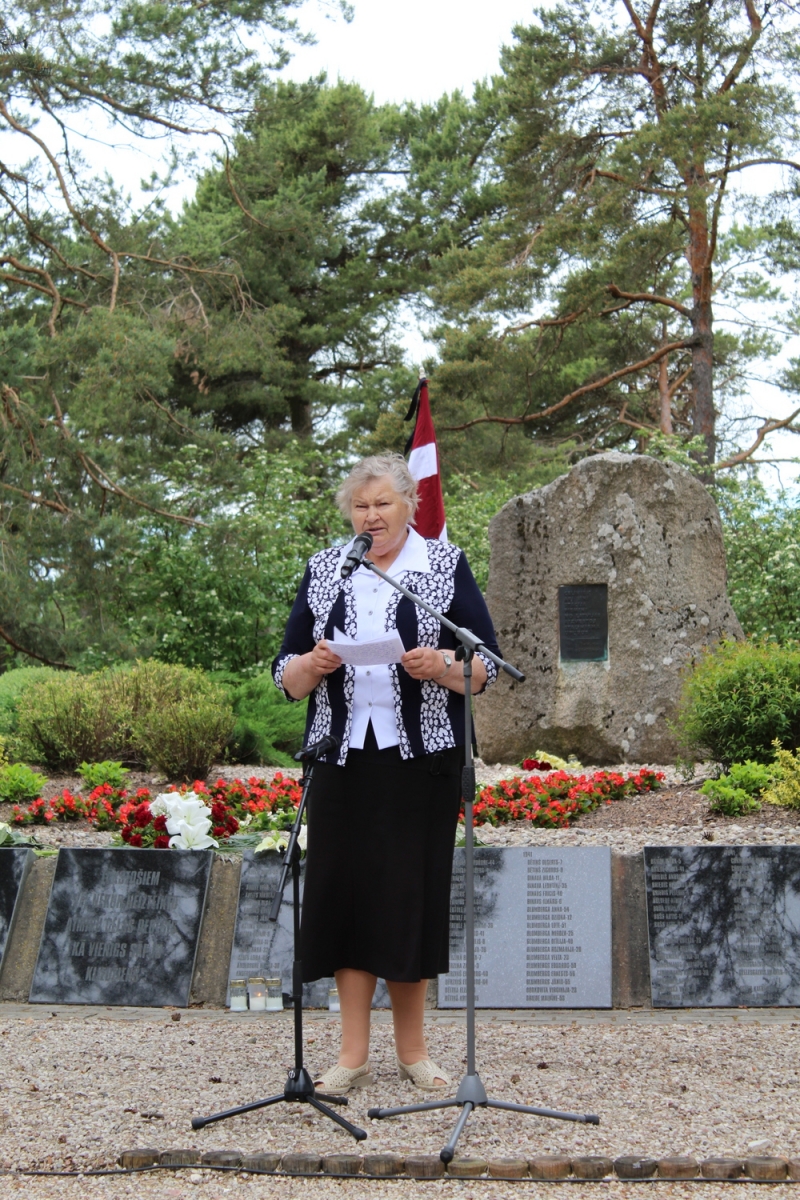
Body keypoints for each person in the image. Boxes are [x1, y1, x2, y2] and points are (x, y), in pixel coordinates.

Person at [272, 453, 500, 1093]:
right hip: (341, 759)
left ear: (409, 506)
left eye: (383, 505)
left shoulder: (442, 567)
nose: (371, 517)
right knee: (345, 902)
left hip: (420, 759)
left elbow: (484, 668)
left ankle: (414, 1052)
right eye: (361, 507)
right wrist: (313, 665)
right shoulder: (324, 572)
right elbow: (284, 676)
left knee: (408, 901)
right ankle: (350, 1056)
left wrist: (442, 668)